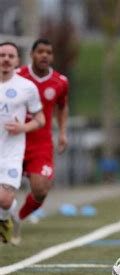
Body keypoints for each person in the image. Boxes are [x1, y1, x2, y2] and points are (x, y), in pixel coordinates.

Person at [11, 39, 69, 245]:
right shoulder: (16, 76)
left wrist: (62, 132)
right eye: (40, 52)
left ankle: (16, 218)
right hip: (13, 140)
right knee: (6, 191)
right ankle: (6, 216)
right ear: (32, 55)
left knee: (41, 189)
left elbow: (62, 107)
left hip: (41, 143)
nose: (45, 55)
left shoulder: (60, 82)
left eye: (49, 52)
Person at [0, 42, 45, 243]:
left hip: (11, 151)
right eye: (2, 55)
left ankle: (5, 218)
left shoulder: (27, 88)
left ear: (17, 61)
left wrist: (23, 128)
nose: (6, 59)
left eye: (11, 56)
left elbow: (40, 119)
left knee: (5, 199)